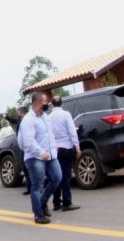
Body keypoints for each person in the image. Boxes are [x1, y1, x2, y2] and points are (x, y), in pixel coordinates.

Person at [18, 92, 61, 224]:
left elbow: (50, 135)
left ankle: (42, 202)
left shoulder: (45, 117)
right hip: (35, 157)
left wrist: (54, 147)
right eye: (44, 101)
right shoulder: (28, 120)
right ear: (37, 103)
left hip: (50, 155)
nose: (47, 103)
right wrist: (40, 152)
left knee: (56, 178)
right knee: (37, 186)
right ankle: (38, 214)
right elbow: (28, 141)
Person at [49, 95, 81, 212]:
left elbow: (49, 134)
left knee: (56, 175)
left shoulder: (49, 117)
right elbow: (72, 132)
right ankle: (67, 202)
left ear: (52, 104)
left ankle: (56, 202)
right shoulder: (66, 115)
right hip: (66, 147)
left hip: (55, 149)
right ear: (61, 103)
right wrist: (77, 147)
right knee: (66, 176)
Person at [5, 106, 31, 195]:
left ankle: (35, 187)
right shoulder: (20, 120)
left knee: (30, 167)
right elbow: (14, 120)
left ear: (22, 112)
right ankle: (30, 187)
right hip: (23, 147)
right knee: (25, 167)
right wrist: (7, 117)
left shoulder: (29, 119)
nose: (17, 114)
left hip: (30, 147)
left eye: (18, 112)